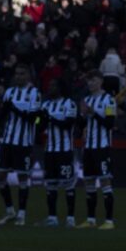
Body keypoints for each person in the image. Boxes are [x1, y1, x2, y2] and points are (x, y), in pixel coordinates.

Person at [0, 65, 41, 226]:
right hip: (7, 140)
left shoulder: (34, 93)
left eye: (22, 73)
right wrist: (3, 110)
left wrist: (14, 109)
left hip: (23, 142)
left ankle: (22, 214)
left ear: (29, 75)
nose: (19, 76)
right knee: (0, 176)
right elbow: (2, 115)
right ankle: (10, 211)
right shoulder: (9, 92)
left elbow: (32, 118)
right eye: (17, 73)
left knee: (22, 176)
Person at [79, 73, 119, 231]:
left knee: (105, 182)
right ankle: (90, 219)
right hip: (88, 147)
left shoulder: (108, 100)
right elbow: (81, 124)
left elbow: (110, 123)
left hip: (102, 147)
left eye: (93, 80)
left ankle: (109, 221)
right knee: (88, 182)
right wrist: (82, 116)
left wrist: (92, 113)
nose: (90, 83)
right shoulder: (87, 100)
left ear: (101, 81)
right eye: (89, 80)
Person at [38, 83, 78, 227]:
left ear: (60, 88)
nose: (50, 88)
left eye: (53, 86)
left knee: (68, 184)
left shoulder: (69, 104)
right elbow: (40, 127)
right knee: (51, 185)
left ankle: (70, 218)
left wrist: (49, 118)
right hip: (49, 151)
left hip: (64, 151)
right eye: (49, 87)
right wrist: (41, 118)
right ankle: (52, 218)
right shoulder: (45, 105)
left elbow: (67, 124)